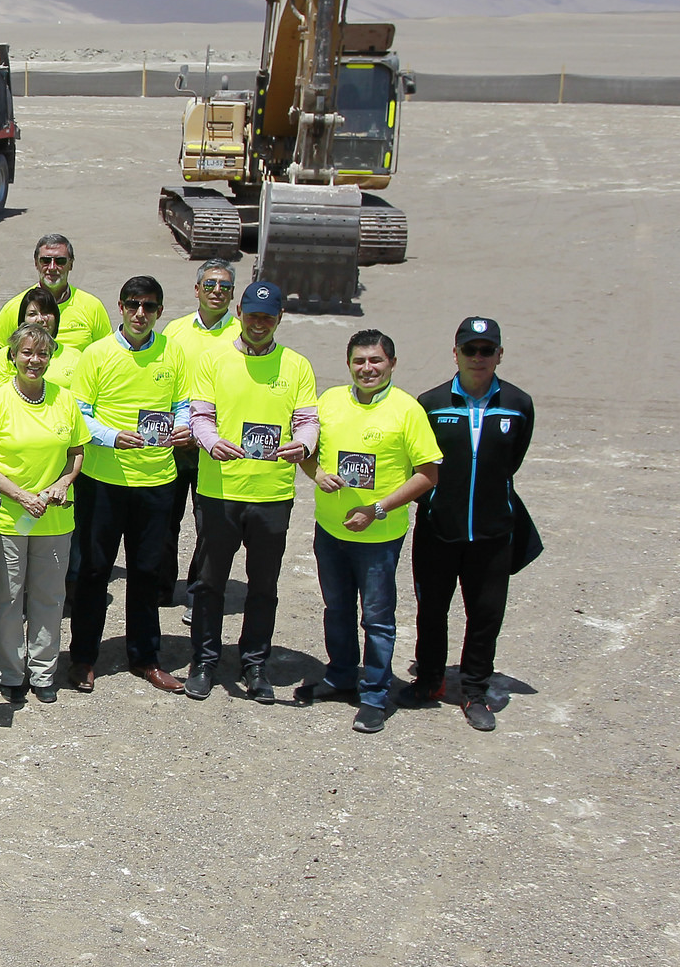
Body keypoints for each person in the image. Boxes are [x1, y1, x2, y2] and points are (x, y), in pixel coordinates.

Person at [296, 331, 441, 734]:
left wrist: (376, 510)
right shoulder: (329, 402)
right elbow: (307, 452)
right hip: (331, 530)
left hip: (378, 537)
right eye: (359, 361)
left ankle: (375, 695)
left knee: (377, 619)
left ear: (392, 363)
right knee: (336, 609)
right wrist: (318, 474)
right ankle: (341, 675)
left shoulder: (407, 409)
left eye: (376, 360)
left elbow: (428, 474)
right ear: (348, 364)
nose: (367, 368)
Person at [400, 317, 537, 732]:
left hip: (493, 532)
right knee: (432, 610)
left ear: (499, 354)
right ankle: (429, 680)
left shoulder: (518, 404)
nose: (478, 357)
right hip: (439, 528)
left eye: (486, 350)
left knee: (485, 614)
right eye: (470, 350)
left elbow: (512, 460)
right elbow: (419, 462)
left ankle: (475, 690)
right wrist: (438, 501)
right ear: (455, 353)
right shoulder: (430, 403)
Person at [186, 281, 319, 704]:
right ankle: (204, 661)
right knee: (209, 583)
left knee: (263, 586)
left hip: (272, 494)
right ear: (239, 313)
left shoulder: (296, 365)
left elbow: (307, 420)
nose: (259, 324)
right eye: (253, 315)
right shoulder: (213, 359)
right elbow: (200, 415)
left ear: (280, 318)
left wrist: (305, 445)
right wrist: (210, 442)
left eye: (268, 317)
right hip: (219, 490)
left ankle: (255, 664)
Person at [67, 276, 191, 695]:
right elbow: (80, 413)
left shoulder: (173, 351)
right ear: (120, 307)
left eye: (149, 306)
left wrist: (183, 426)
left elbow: (182, 404)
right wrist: (111, 437)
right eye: (134, 304)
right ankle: (83, 657)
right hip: (104, 481)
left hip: (156, 480)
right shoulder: (97, 354)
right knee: (93, 570)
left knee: (146, 571)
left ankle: (145, 658)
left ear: (160, 311)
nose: (141, 313)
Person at [0, 326, 89, 704]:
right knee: (7, 599)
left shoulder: (64, 399)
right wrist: (21, 495)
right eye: (26, 353)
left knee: (49, 598)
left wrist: (64, 481)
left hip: (54, 518)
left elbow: (76, 451)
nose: (34, 360)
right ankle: (11, 673)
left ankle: (43, 672)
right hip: (9, 518)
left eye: (42, 354)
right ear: (12, 356)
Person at [162, 260, 241, 619]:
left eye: (224, 286)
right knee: (164, 520)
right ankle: (162, 585)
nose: (216, 291)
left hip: (215, 446)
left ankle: (199, 590)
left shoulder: (241, 335)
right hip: (175, 443)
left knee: (210, 524)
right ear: (196, 289)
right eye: (209, 284)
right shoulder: (175, 331)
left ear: (233, 294)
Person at [0, 233, 113, 355]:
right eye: (45, 261)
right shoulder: (14, 308)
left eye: (60, 261)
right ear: (36, 263)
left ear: (71, 264)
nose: (52, 267)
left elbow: (107, 354)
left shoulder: (93, 306)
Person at [0, 287, 79, 391]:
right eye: (32, 314)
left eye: (46, 312)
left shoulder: (76, 357)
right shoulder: (5, 355)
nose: (40, 319)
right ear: (23, 320)